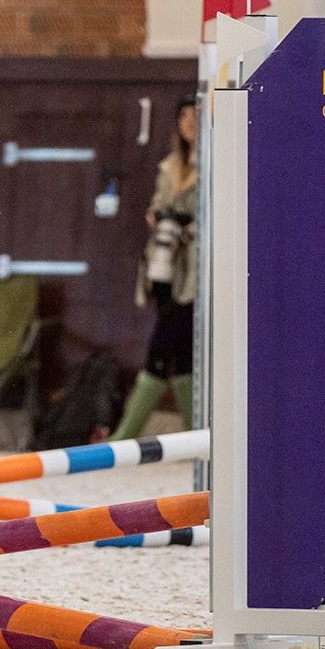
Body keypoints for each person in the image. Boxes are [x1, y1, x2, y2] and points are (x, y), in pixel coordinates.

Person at [114, 92, 200, 439]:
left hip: (194, 271)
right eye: (184, 117)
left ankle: (126, 433)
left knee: (163, 346)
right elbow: (156, 204)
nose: (190, 122)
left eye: (195, 115)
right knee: (179, 352)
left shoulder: (213, 163)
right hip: (163, 266)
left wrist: (190, 226)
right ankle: (196, 433)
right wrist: (158, 215)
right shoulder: (168, 166)